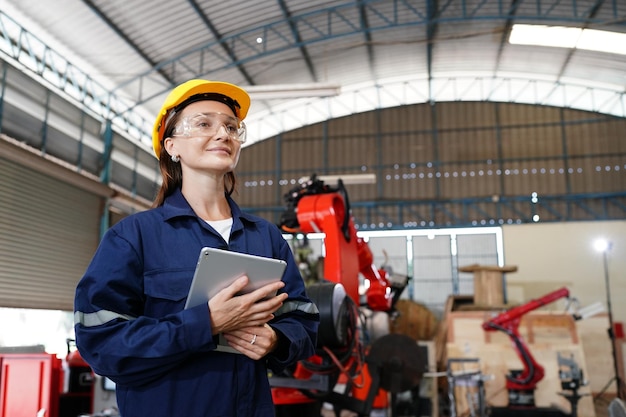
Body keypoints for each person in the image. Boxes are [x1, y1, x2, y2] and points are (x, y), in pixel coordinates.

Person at [74, 79, 319, 417]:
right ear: (171, 146)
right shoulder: (134, 237)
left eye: (231, 127)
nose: (223, 134)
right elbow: (101, 342)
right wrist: (205, 323)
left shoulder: (266, 238)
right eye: (204, 124)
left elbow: (304, 321)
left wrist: (277, 340)